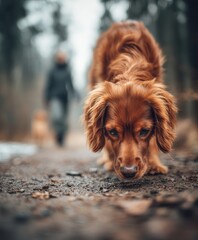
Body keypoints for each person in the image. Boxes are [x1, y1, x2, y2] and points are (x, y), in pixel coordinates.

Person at [44, 51, 75, 146]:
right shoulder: (52, 70)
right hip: (54, 97)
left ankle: (61, 137)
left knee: (64, 119)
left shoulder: (67, 70)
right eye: (60, 58)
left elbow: (70, 84)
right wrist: (46, 97)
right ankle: (58, 134)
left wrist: (74, 94)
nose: (61, 59)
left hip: (65, 97)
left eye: (63, 58)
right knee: (57, 117)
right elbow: (48, 85)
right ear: (57, 59)